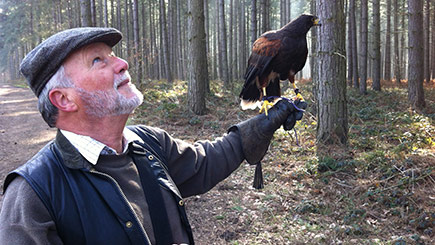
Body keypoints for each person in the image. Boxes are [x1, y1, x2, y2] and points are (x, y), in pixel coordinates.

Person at [0, 27, 306, 244]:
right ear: (64, 100)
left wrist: (263, 124)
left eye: (113, 55)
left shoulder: (147, 143)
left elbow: (205, 162)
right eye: (98, 60)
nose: (122, 64)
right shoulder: (32, 195)